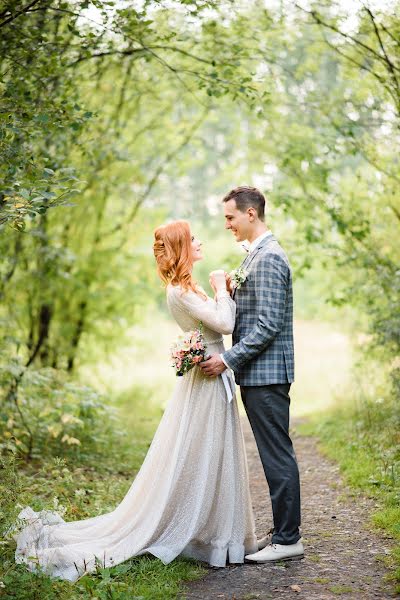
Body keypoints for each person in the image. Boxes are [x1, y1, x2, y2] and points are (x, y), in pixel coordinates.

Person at [13, 220, 257, 582]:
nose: (200, 241)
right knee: (203, 453)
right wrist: (222, 288)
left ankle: (218, 534)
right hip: (207, 380)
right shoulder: (180, 291)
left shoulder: (188, 288)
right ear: (181, 247)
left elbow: (217, 322)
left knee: (214, 453)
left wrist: (222, 292)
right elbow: (223, 325)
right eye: (193, 239)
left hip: (212, 374)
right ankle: (202, 534)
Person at [200, 187, 303, 563]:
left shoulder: (270, 257)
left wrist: (228, 360)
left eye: (230, 217)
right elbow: (257, 311)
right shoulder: (256, 256)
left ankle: (289, 539)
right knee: (272, 454)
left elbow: (267, 326)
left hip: (267, 374)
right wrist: (231, 291)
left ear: (250, 215)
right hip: (258, 374)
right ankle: (282, 533)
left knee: (277, 455)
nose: (227, 224)